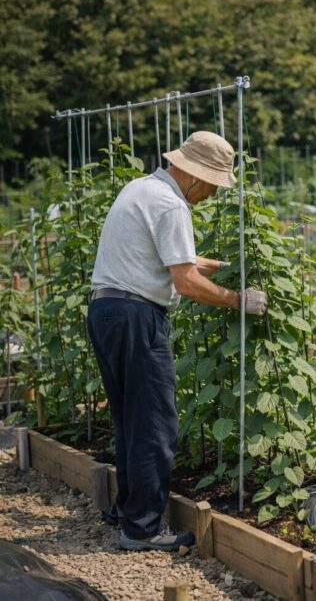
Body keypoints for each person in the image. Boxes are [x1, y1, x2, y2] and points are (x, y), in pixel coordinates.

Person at [87, 131, 268, 551]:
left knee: (130, 419)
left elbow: (175, 256)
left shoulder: (141, 188)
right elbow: (185, 281)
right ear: (192, 176)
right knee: (154, 424)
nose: (209, 195)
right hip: (137, 317)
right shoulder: (172, 204)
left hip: (106, 311)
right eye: (210, 185)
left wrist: (222, 264)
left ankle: (128, 509)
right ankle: (143, 529)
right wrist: (240, 300)